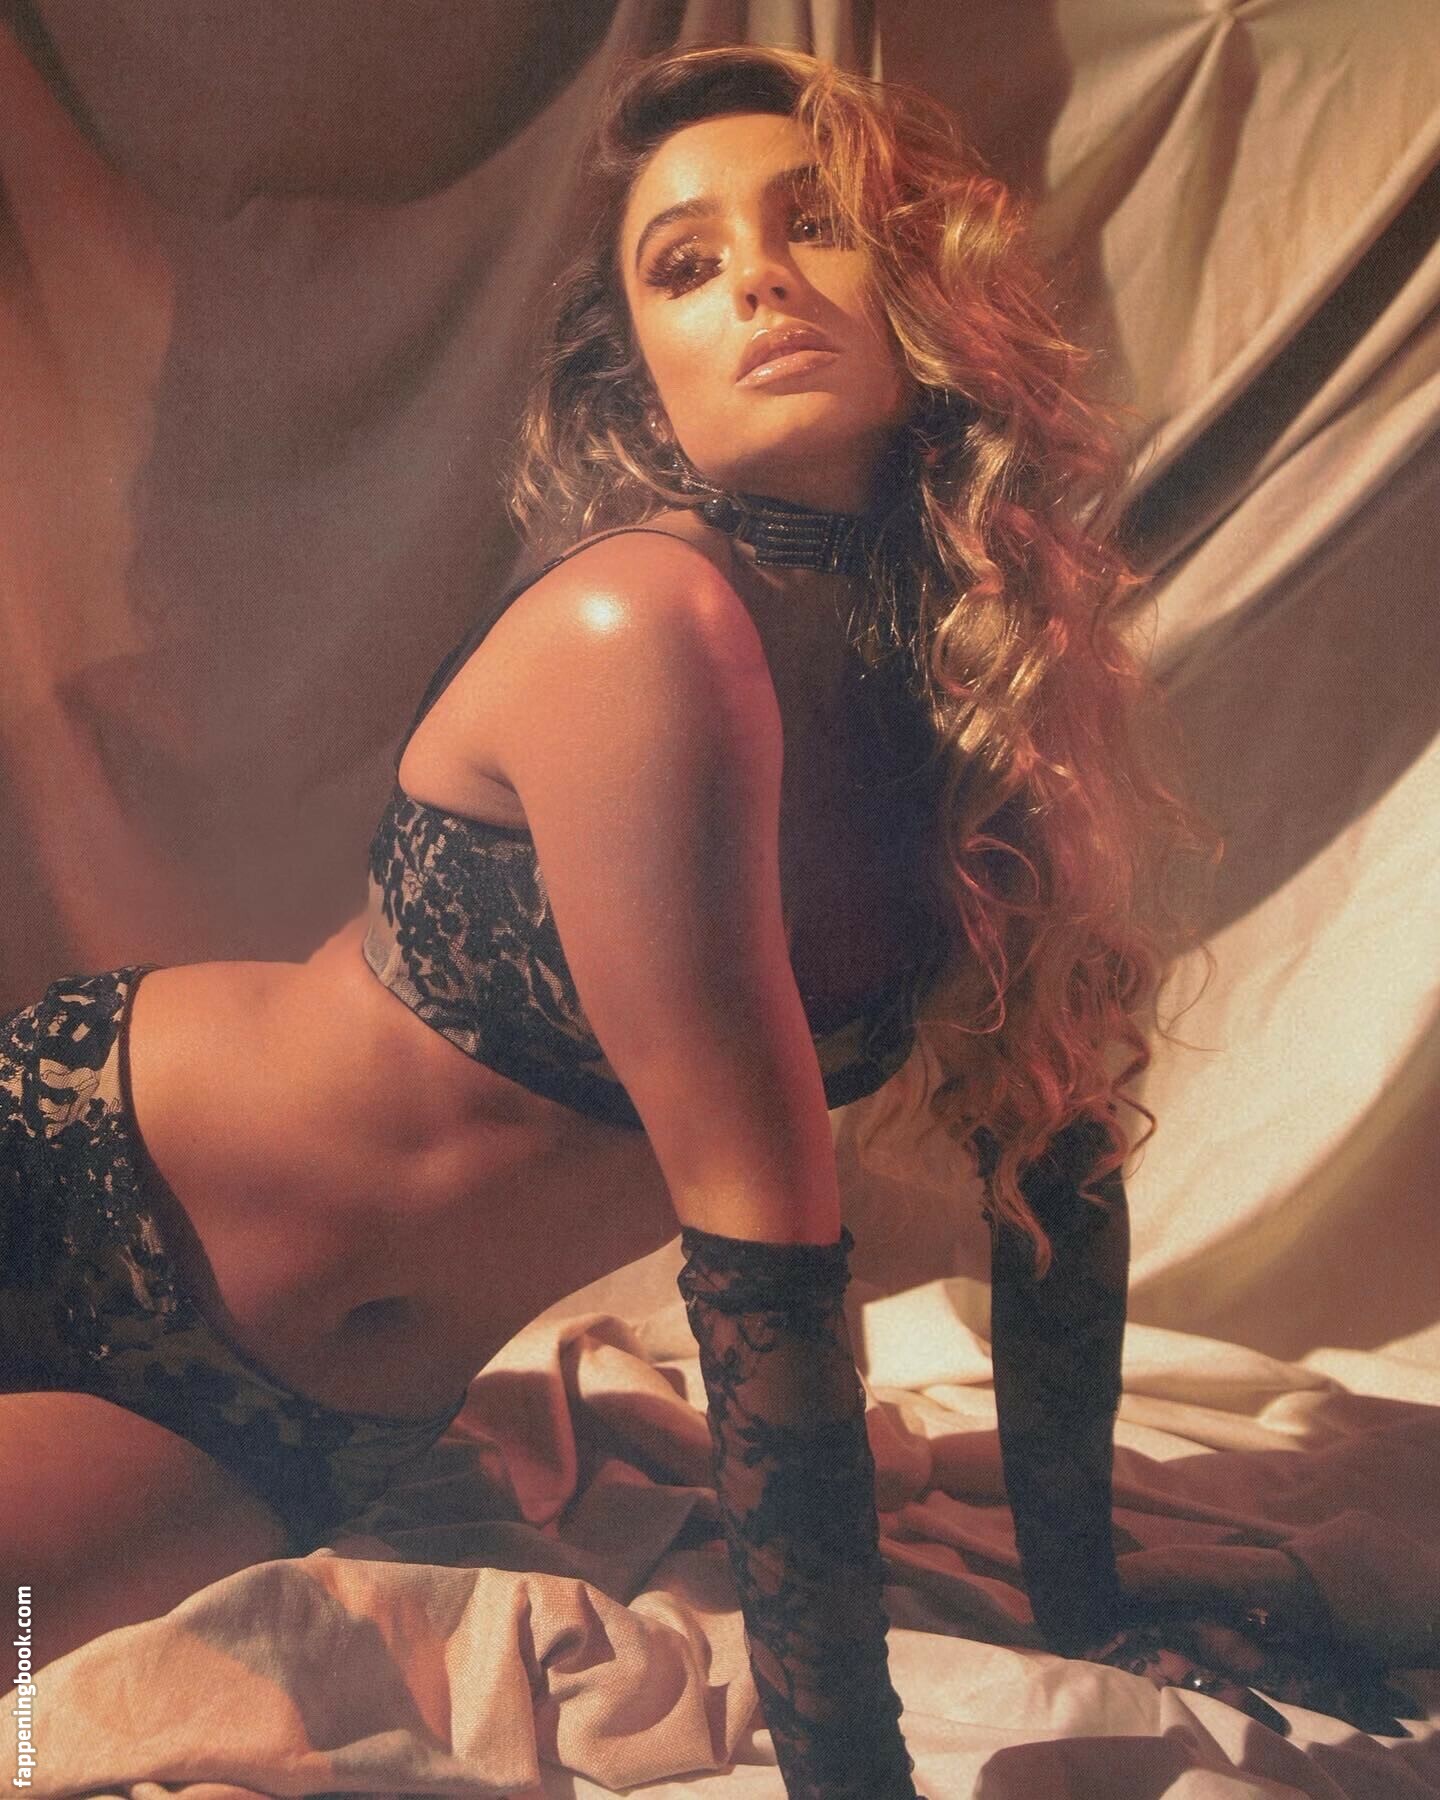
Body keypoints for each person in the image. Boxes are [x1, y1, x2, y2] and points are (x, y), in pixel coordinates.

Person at [0, 41, 1405, 1797]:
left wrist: (1086, 1606)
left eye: (814, 225)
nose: (755, 278)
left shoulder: (964, 693)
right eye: (684, 262)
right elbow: (760, 1237)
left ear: (923, 286)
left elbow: (1057, 1163)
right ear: (645, 374)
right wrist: (850, 1774)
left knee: (30, 1662)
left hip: (319, 1420)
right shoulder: (642, 628)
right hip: (78, 1172)